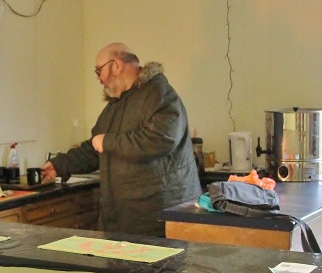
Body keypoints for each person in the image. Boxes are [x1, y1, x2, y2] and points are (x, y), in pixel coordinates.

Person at [42, 43, 202, 235]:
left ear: (117, 65)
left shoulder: (160, 94)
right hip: (122, 217)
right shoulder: (115, 105)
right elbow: (94, 148)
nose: (98, 78)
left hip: (157, 217)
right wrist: (59, 165)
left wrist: (107, 142)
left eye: (99, 70)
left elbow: (160, 140)